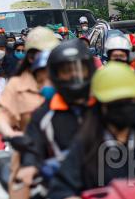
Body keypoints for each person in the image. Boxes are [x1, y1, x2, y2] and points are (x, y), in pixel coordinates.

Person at [48, 62, 135, 199]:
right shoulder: (85, 145)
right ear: (101, 105)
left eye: (129, 100)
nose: (124, 107)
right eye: (117, 102)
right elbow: (61, 189)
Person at [15, 39, 95, 188]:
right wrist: (29, 166)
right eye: (66, 71)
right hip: (64, 185)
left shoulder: (102, 104)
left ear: (89, 70)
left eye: (79, 69)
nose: (73, 75)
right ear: (56, 75)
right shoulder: (44, 114)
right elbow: (33, 144)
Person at [0, 27, 59, 138]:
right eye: (40, 55)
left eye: (49, 54)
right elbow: (2, 115)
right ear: (30, 57)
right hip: (29, 146)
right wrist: (12, 134)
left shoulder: (66, 78)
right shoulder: (16, 84)